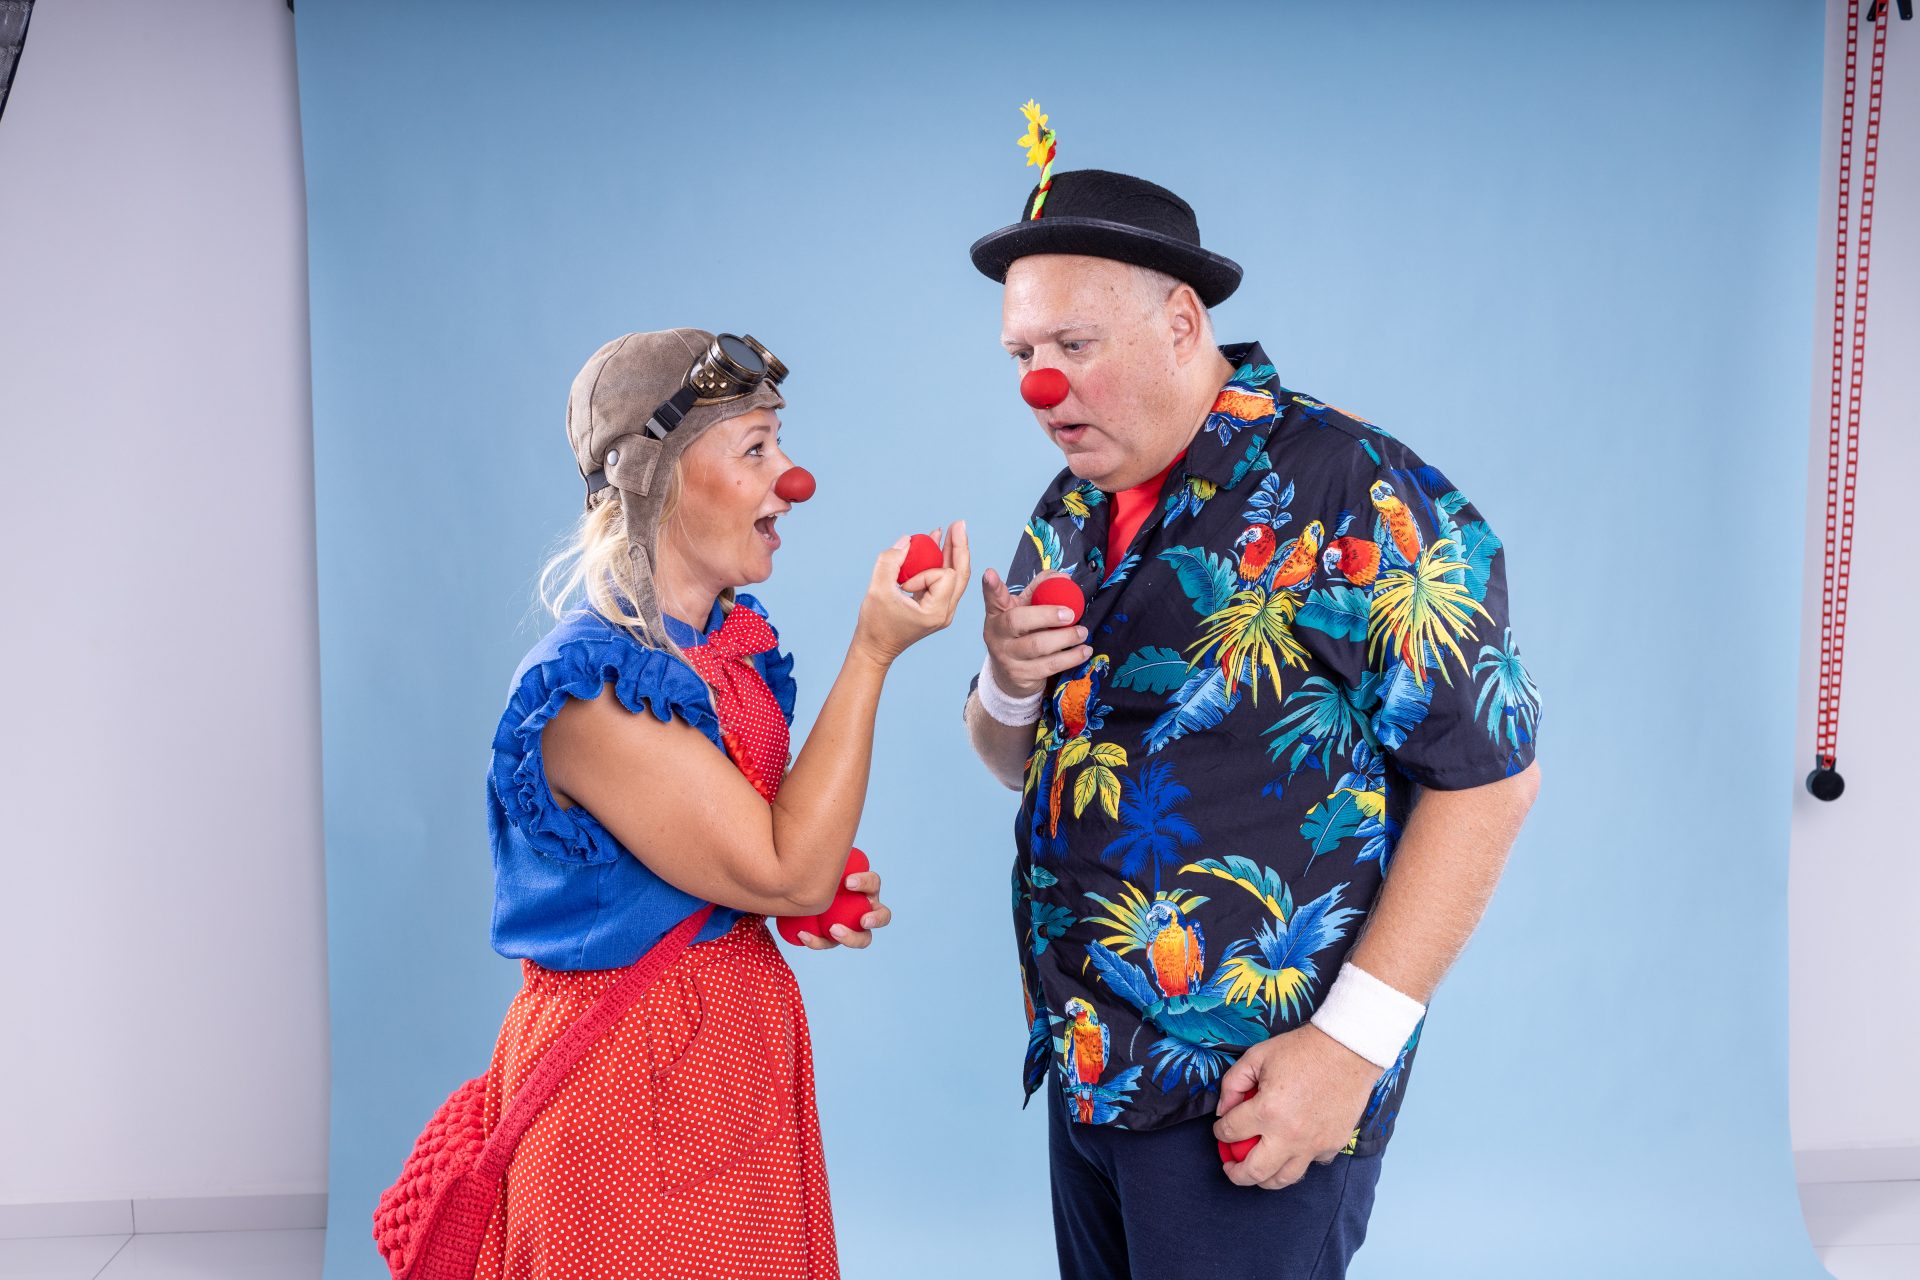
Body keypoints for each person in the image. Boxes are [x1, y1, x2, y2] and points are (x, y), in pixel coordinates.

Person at [962, 149, 1543, 1277]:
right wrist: (1008, 682)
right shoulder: (1071, 503)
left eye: (1075, 345)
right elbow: (1014, 762)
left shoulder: (1354, 488)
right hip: (1090, 1071)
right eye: (1023, 354)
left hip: (1255, 1091)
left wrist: (1349, 1050)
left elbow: (1492, 778)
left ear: (1182, 323)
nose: (1041, 385)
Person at [475, 327, 969, 1279]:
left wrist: (779, 893)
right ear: (658, 479)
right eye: (755, 448)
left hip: (729, 1059)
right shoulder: (596, 690)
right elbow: (785, 866)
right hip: (626, 1088)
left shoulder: (723, 648)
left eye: (780, 442)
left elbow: (741, 856)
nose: (793, 479)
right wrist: (872, 652)